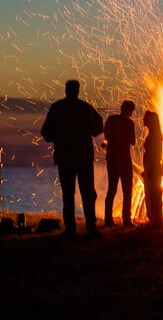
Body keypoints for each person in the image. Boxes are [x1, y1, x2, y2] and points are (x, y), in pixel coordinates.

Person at [40, 80, 104, 237]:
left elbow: (46, 132)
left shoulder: (57, 108)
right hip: (83, 158)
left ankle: (70, 228)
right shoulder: (85, 108)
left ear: (66, 90)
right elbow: (98, 127)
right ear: (78, 90)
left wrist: (59, 137)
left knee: (68, 194)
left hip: (65, 158)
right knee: (88, 193)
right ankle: (91, 227)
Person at [103, 100, 136, 227]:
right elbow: (133, 142)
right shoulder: (129, 123)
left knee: (111, 189)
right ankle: (126, 220)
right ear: (130, 111)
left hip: (111, 159)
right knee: (127, 191)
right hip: (124, 160)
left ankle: (108, 219)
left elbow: (106, 136)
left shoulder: (111, 120)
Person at [142, 110, 163, 229]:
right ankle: (155, 220)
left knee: (153, 194)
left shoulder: (155, 136)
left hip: (153, 168)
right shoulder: (155, 135)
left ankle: (154, 221)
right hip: (151, 168)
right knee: (154, 194)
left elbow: (155, 154)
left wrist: (150, 169)